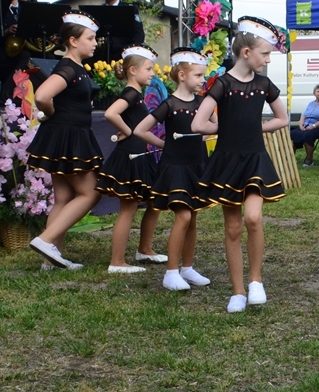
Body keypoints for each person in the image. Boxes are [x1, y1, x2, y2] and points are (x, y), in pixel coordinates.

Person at [193, 16, 289, 313]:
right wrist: (225, 127)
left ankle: (256, 280)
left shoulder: (264, 84)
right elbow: (198, 123)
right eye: (265, 54)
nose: (268, 60)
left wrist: (254, 128)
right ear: (246, 52)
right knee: (233, 228)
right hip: (227, 161)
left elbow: (283, 118)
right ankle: (237, 291)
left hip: (255, 159)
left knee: (253, 218)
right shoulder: (223, 84)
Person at [133, 47, 216, 290]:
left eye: (203, 76)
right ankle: (171, 272)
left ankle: (187, 268)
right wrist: (164, 144)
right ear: (181, 75)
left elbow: (216, 125)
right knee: (183, 216)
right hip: (175, 167)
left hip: (196, 165)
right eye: (198, 75)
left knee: (193, 217)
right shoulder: (169, 104)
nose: (202, 80)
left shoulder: (202, 103)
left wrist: (202, 136)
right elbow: (141, 130)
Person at [26, 12, 104, 269]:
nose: (95, 43)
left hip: (66, 135)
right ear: (73, 41)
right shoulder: (69, 68)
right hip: (68, 135)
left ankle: (50, 259)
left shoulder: (75, 68)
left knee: (64, 197)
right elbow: (42, 96)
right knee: (90, 193)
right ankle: (46, 240)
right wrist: (49, 112)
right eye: (90, 38)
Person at [96, 44, 167, 274]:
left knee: (153, 202)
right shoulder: (131, 93)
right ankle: (117, 261)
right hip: (130, 155)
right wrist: (126, 131)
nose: (153, 73)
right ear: (133, 70)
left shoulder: (137, 94)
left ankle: (144, 249)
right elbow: (111, 113)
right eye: (148, 68)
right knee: (128, 208)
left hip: (140, 153)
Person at [291, 84, 319, 167]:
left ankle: (309, 160)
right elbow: (303, 116)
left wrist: (313, 126)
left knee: (308, 136)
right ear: (314, 93)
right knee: (292, 133)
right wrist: (301, 125)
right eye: (318, 91)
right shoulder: (310, 104)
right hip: (307, 126)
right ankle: (291, 158)